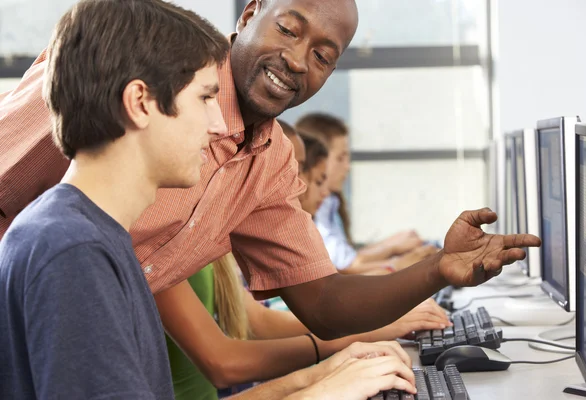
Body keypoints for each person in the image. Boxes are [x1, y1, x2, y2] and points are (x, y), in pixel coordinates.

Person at [0, 0, 539, 379]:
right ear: (250, 12)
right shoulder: (140, 69)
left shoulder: (271, 161)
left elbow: (323, 300)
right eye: (289, 29)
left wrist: (437, 269)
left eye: (324, 56)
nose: (300, 60)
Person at [0, 0, 229, 398]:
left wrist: (315, 383)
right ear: (140, 102)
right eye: (206, 98)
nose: (219, 125)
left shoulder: (84, 232)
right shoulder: (73, 248)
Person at [166, 122, 450, 400]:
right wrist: (340, 356)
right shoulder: (157, 249)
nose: (297, 182)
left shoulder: (205, 243)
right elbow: (224, 362)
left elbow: (258, 322)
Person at [296, 112, 440, 274]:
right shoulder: (312, 214)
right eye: (340, 158)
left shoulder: (328, 203)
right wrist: (394, 259)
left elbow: (345, 261)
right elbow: (345, 267)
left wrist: (393, 249)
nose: (347, 167)